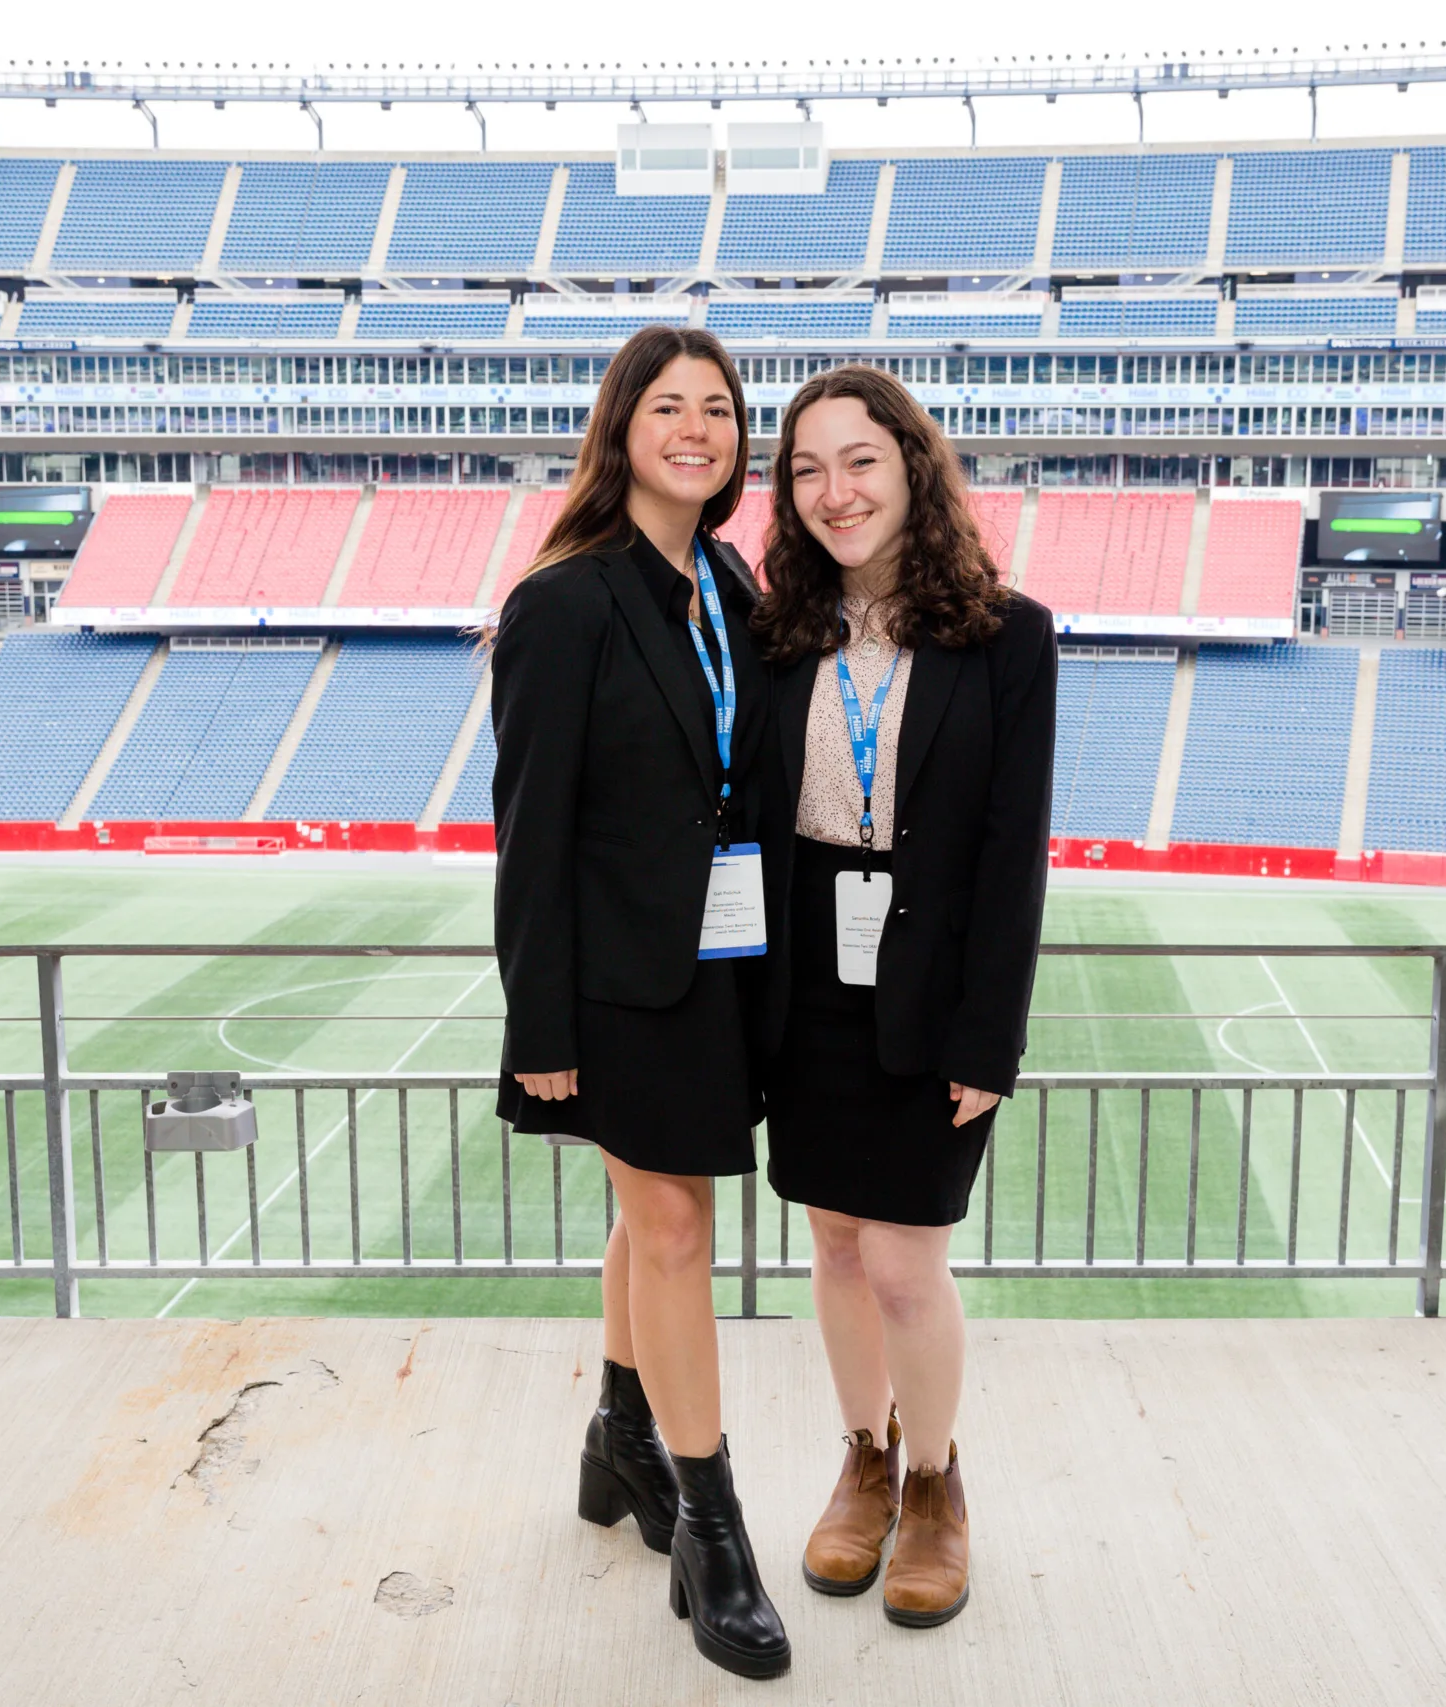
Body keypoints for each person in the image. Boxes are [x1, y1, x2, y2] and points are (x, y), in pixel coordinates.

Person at [489, 323, 789, 1680]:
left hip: (718, 962)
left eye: (717, 408)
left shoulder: (726, 576)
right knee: (674, 1227)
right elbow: (531, 831)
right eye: (668, 406)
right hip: (614, 981)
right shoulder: (565, 602)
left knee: (648, 1216)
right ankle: (713, 1530)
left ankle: (619, 1438)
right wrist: (540, 1027)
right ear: (621, 428)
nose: (696, 428)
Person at [748, 365, 1058, 1629]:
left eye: (859, 461)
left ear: (912, 468)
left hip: (935, 980)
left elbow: (1013, 850)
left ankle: (934, 1483)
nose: (835, 491)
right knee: (832, 1240)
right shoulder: (776, 631)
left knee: (904, 1265)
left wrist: (989, 1036)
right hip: (805, 980)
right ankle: (862, 1459)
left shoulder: (1008, 634)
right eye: (807, 469)